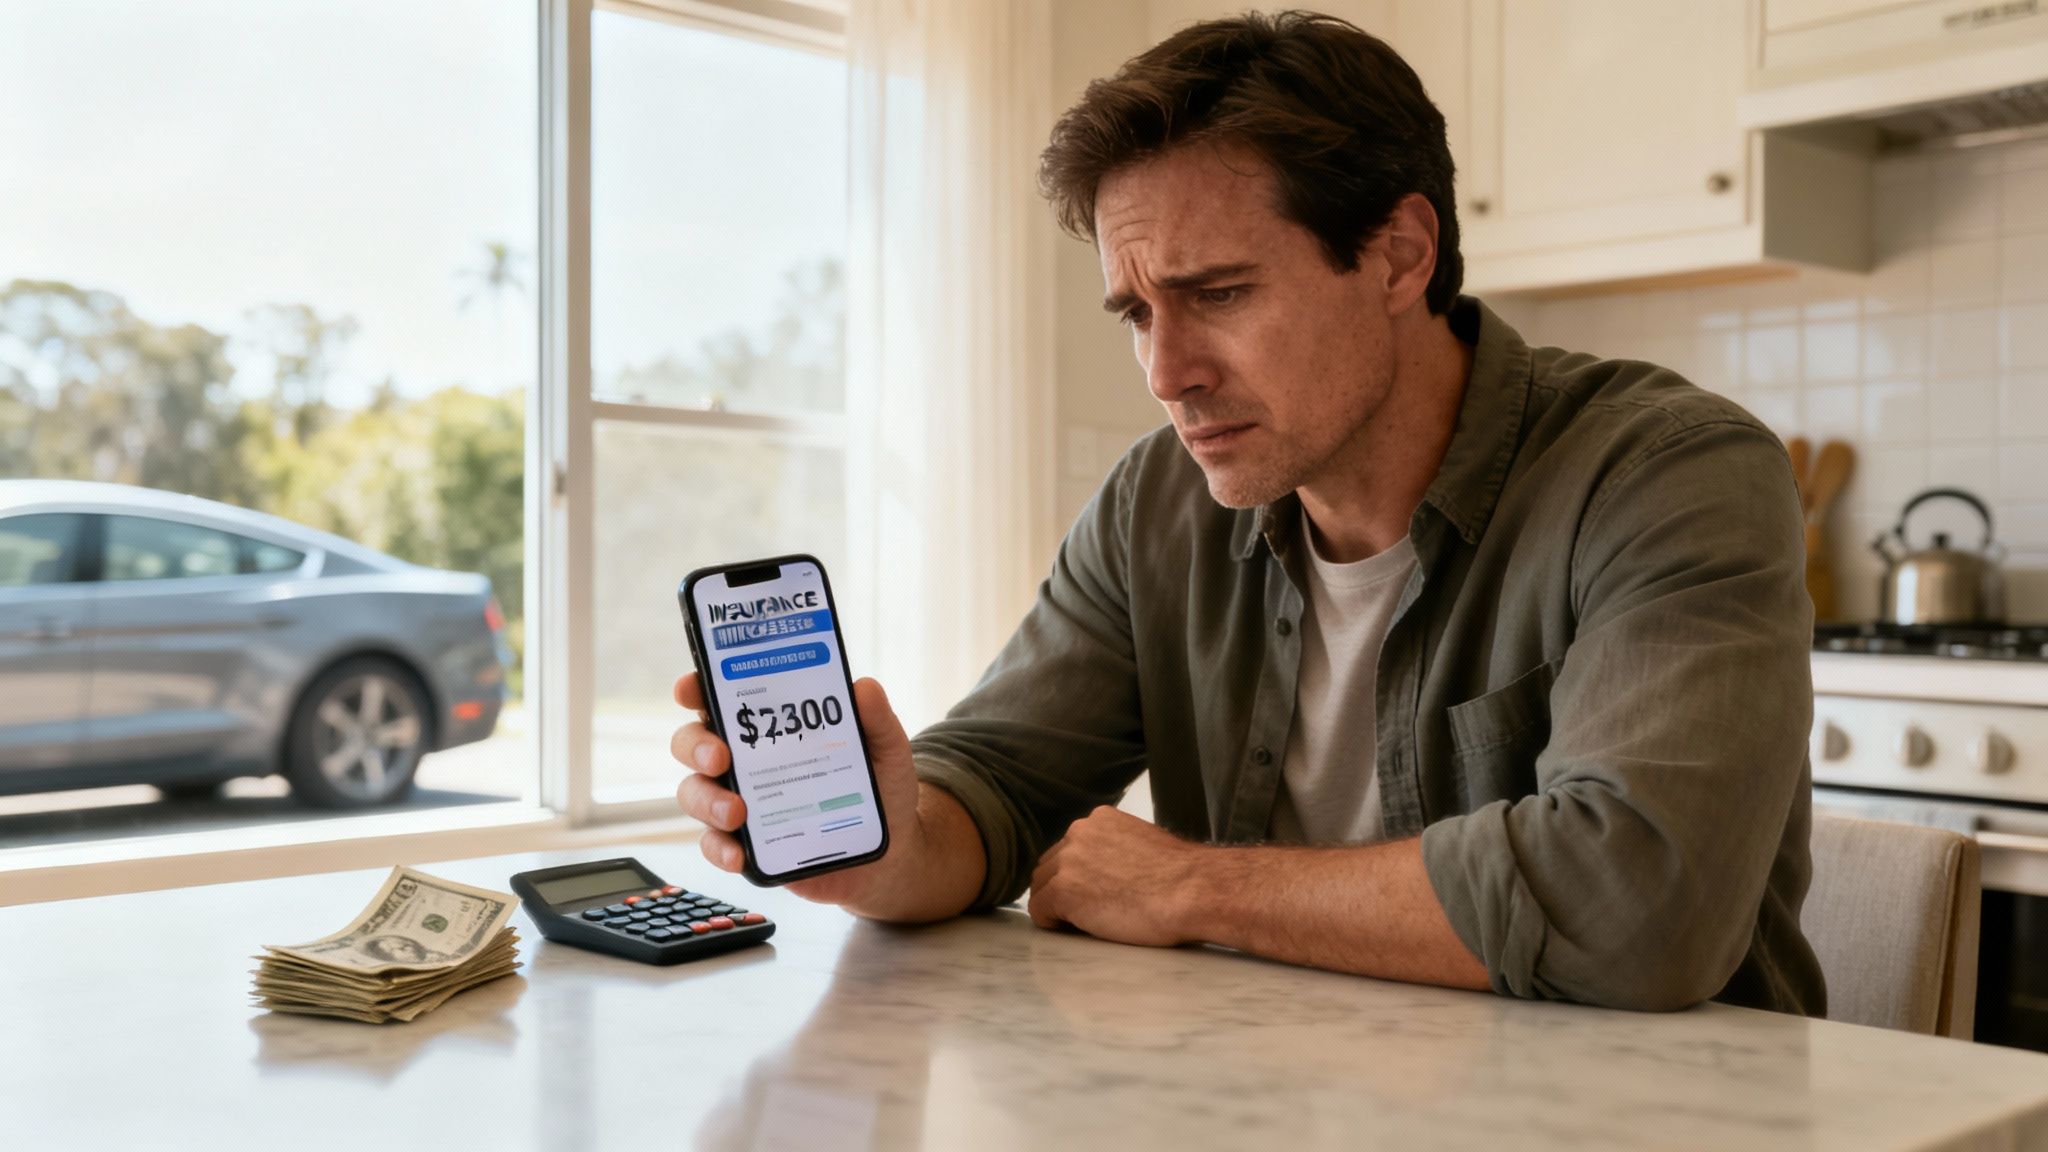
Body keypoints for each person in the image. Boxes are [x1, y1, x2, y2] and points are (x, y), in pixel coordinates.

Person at [672, 10, 1824, 1014]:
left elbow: (1639, 906)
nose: (1165, 371)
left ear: (1397, 254)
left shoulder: (1667, 473)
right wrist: (884, 846)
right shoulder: (1155, 501)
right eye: (1133, 313)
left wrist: (1188, 885)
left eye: (1216, 294)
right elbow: (1003, 782)